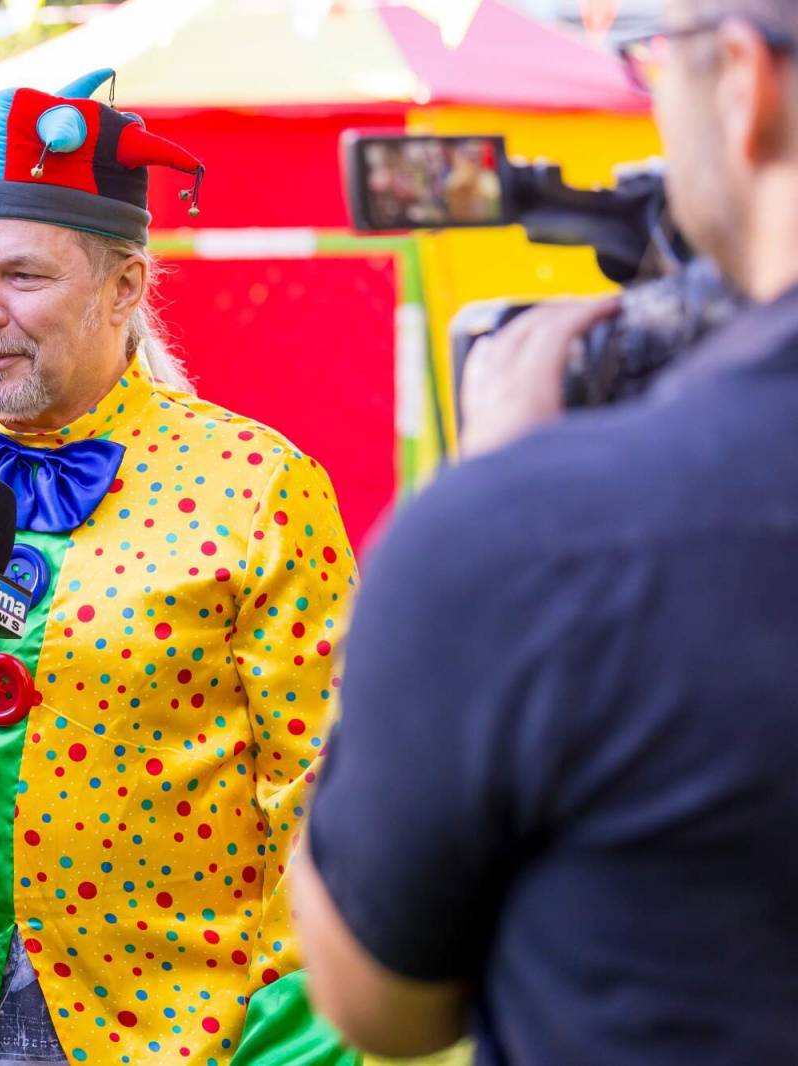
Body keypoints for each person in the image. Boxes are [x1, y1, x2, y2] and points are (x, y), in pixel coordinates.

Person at [0, 70, 360, 1066]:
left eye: (23, 276)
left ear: (124, 286)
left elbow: (322, 812)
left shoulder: (258, 487)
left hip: (185, 1040)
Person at [296, 2, 798, 1063]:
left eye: (651, 60)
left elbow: (374, 1001)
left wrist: (493, 490)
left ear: (743, 83)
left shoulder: (523, 540)